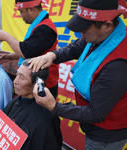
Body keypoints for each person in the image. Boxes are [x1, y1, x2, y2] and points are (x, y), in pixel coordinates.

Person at [30, 0, 127, 149]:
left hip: (105, 135)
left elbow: (95, 114)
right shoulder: (104, 35)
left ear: (107, 25)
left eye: (85, 28)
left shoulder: (117, 66)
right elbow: (76, 48)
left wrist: (54, 106)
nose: (80, 32)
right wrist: (52, 56)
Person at [0, 58, 62, 150]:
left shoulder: (46, 120)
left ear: (37, 84)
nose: (15, 81)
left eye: (22, 77)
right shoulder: (16, 101)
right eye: (17, 75)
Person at [0, 0, 59, 99]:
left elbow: (25, 51)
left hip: (43, 85)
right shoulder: (39, 25)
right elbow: (33, 51)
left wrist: (5, 36)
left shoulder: (45, 29)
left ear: (30, 9)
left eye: (21, 11)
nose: (20, 15)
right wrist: (10, 56)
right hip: (34, 82)